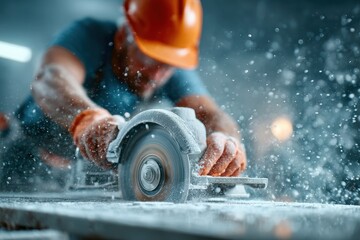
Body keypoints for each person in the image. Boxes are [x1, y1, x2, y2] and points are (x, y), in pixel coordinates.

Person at [1, 0, 247, 191]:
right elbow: (51, 78)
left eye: (168, 65)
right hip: (24, 151)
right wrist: (88, 119)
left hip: (72, 170)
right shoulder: (90, 35)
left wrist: (227, 142)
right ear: (123, 36)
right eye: (149, 59)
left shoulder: (167, 64)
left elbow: (211, 114)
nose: (158, 75)